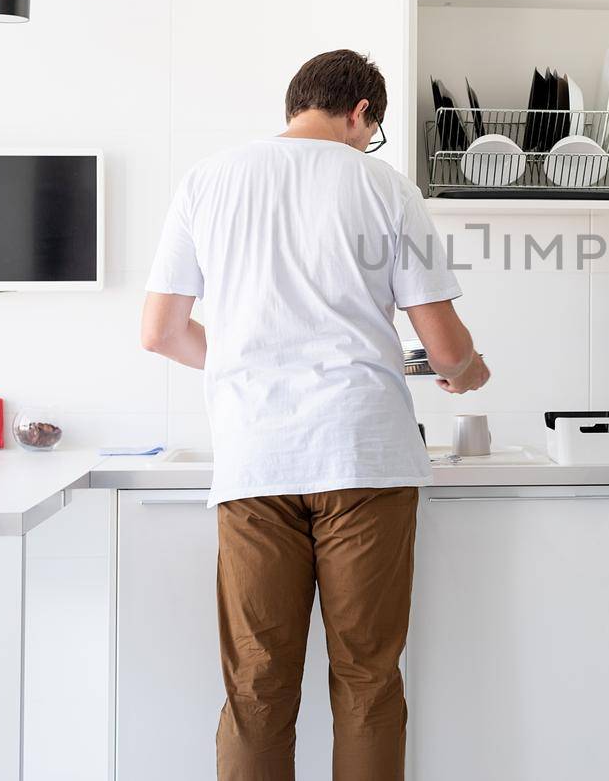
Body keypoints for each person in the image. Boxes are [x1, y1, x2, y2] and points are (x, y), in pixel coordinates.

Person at [139, 49, 489, 781]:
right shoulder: (384, 186)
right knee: (366, 679)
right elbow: (445, 346)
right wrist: (467, 372)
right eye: (372, 130)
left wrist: (252, 359)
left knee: (257, 688)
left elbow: (161, 332)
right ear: (361, 113)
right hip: (363, 457)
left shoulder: (209, 180)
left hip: (254, 462)